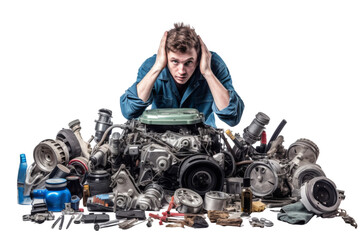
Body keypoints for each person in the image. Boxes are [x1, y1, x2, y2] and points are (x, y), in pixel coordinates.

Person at [120, 23, 244, 128]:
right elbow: (129, 111)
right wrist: (158, 67)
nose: (181, 71)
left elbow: (233, 117)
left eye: (188, 62)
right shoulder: (151, 66)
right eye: (175, 61)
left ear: (199, 57)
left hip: (203, 144)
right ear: (165, 56)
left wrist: (207, 72)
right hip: (158, 141)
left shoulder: (214, 65)